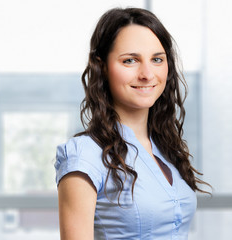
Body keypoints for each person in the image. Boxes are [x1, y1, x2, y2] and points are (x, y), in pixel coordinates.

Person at [54, 7, 210, 240]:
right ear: (102, 66)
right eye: (130, 60)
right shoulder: (84, 155)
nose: (147, 74)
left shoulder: (166, 150)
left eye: (157, 59)